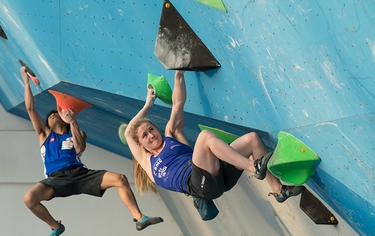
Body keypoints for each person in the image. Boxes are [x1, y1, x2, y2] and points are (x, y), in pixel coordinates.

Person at [20, 67, 163, 236]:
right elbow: (30, 108)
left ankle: (139, 218)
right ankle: (55, 227)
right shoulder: (44, 135)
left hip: (80, 174)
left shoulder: (76, 132)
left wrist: (72, 121)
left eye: (56, 113)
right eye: (50, 116)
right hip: (56, 179)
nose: (53, 114)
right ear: (47, 123)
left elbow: (80, 147)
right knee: (29, 199)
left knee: (120, 179)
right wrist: (26, 82)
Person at [124, 70, 304, 206]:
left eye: (151, 129)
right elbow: (128, 133)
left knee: (252, 140)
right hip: (200, 186)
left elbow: (178, 103)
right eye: (145, 135)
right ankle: (253, 167)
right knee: (205, 137)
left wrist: (179, 73)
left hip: (216, 174)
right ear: (140, 144)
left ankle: (279, 190)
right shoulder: (148, 162)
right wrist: (147, 104)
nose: (151, 135)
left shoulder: (171, 134)